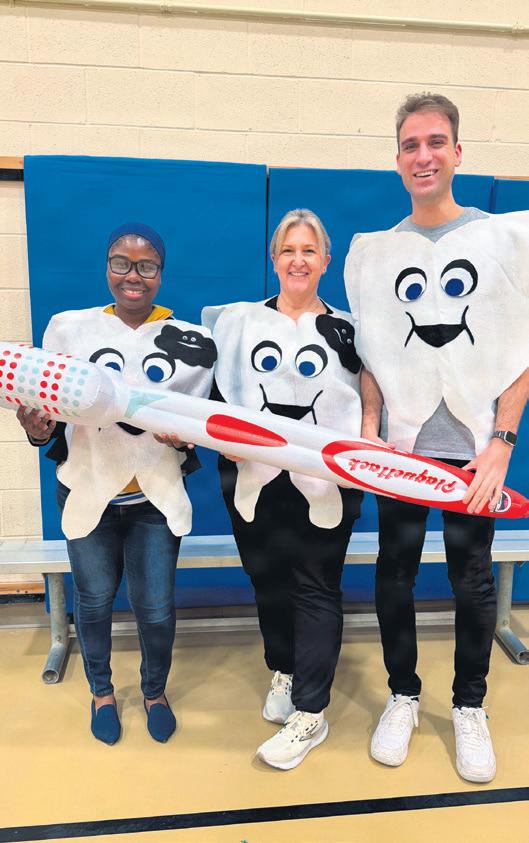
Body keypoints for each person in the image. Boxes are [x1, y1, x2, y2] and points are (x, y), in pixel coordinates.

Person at [344, 93, 529, 783]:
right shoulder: (376, 254)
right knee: (393, 568)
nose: (422, 155)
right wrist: (369, 430)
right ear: (397, 159)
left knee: (470, 575)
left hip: (473, 449)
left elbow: (522, 347)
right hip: (402, 448)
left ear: (456, 152)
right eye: (410, 145)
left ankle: (469, 705)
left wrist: (502, 440)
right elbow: (370, 354)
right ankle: (402, 693)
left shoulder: (500, 239)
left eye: (434, 142)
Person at [17, 223, 216, 745]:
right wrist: (36, 428)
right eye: (121, 263)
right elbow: (48, 421)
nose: (133, 275)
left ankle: (154, 692)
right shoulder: (71, 332)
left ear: (160, 273)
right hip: (88, 491)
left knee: (156, 607)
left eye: (146, 265)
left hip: (154, 498)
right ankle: (101, 692)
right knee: (94, 600)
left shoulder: (192, 343)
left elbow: (198, 424)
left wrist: (186, 439)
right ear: (107, 268)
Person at [202, 209, 363, 770]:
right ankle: (286, 669)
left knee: (316, 586)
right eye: (288, 250)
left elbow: (371, 397)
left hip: (326, 481)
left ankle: (311, 713)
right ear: (274, 260)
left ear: (326, 260)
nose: (298, 260)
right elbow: (214, 391)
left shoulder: (350, 330)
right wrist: (218, 436)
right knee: (266, 578)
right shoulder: (239, 323)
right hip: (251, 475)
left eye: (308, 250)